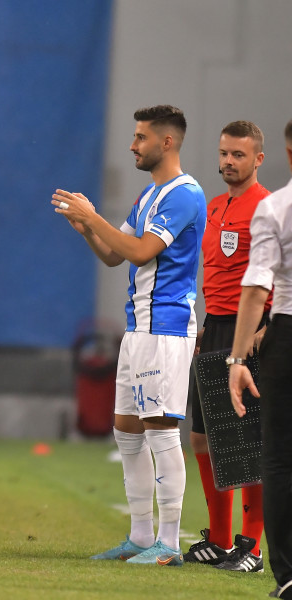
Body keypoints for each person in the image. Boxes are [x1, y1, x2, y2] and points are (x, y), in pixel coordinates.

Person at [53, 105, 206, 566]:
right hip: (138, 327)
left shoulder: (184, 194)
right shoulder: (148, 196)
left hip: (167, 328)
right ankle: (141, 537)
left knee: (161, 430)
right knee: (126, 429)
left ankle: (169, 544)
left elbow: (141, 251)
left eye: (140, 137)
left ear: (166, 142)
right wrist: (85, 226)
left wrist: (93, 215)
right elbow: (113, 255)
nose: (133, 145)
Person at [184, 121, 270, 572]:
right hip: (215, 326)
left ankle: (251, 548)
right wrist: (206, 324)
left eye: (238, 155)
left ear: (258, 159)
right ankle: (218, 540)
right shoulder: (215, 206)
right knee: (204, 436)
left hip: (254, 330)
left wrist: (264, 330)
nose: (227, 162)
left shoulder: (269, 208)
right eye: (223, 153)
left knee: (249, 442)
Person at [229, 119, 292, 599]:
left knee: (280, 458)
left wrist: (237, 358)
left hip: (287, 333)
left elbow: (256, 288)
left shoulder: (276, 207)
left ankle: (288, 577)